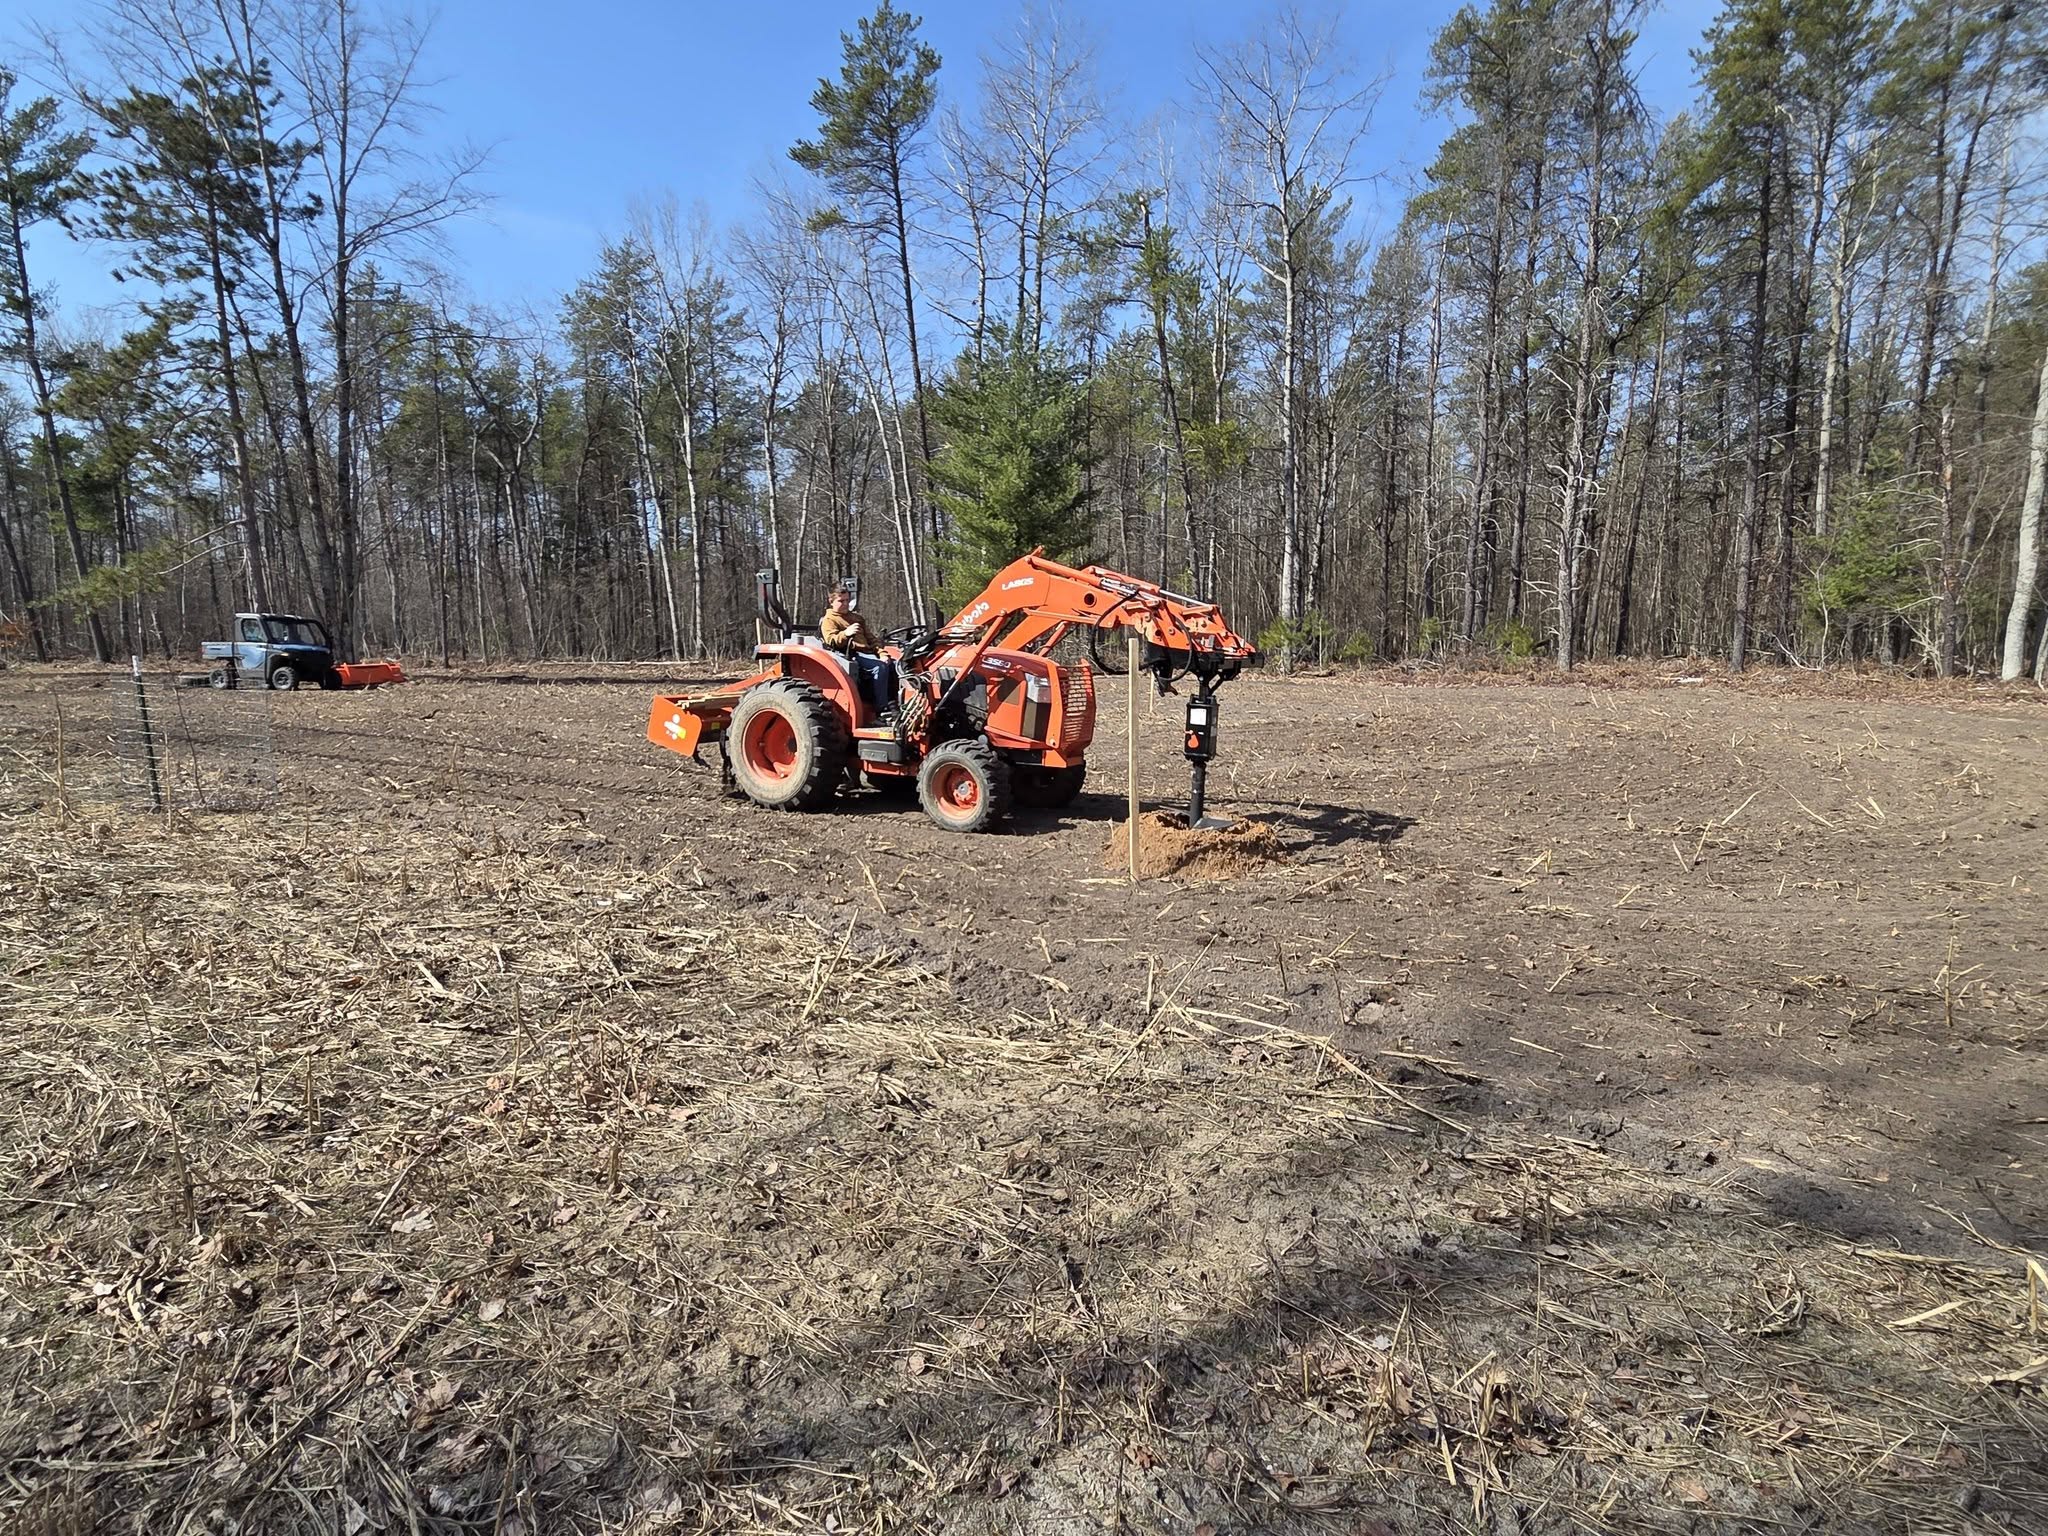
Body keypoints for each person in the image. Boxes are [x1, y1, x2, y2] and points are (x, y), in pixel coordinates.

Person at [820, 583, 898, 721]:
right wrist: (846, 633)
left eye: (847, 600)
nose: (845, 604)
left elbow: (872, 640)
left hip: (868, 652)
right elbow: (831, 640)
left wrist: (882, 654)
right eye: (841, 601)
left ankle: (895, 705)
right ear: (831, 601)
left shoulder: (857, 618)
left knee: (899, 666)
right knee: (878, 667)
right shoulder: (829, 620)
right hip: (850, 654)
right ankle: (881, 710)